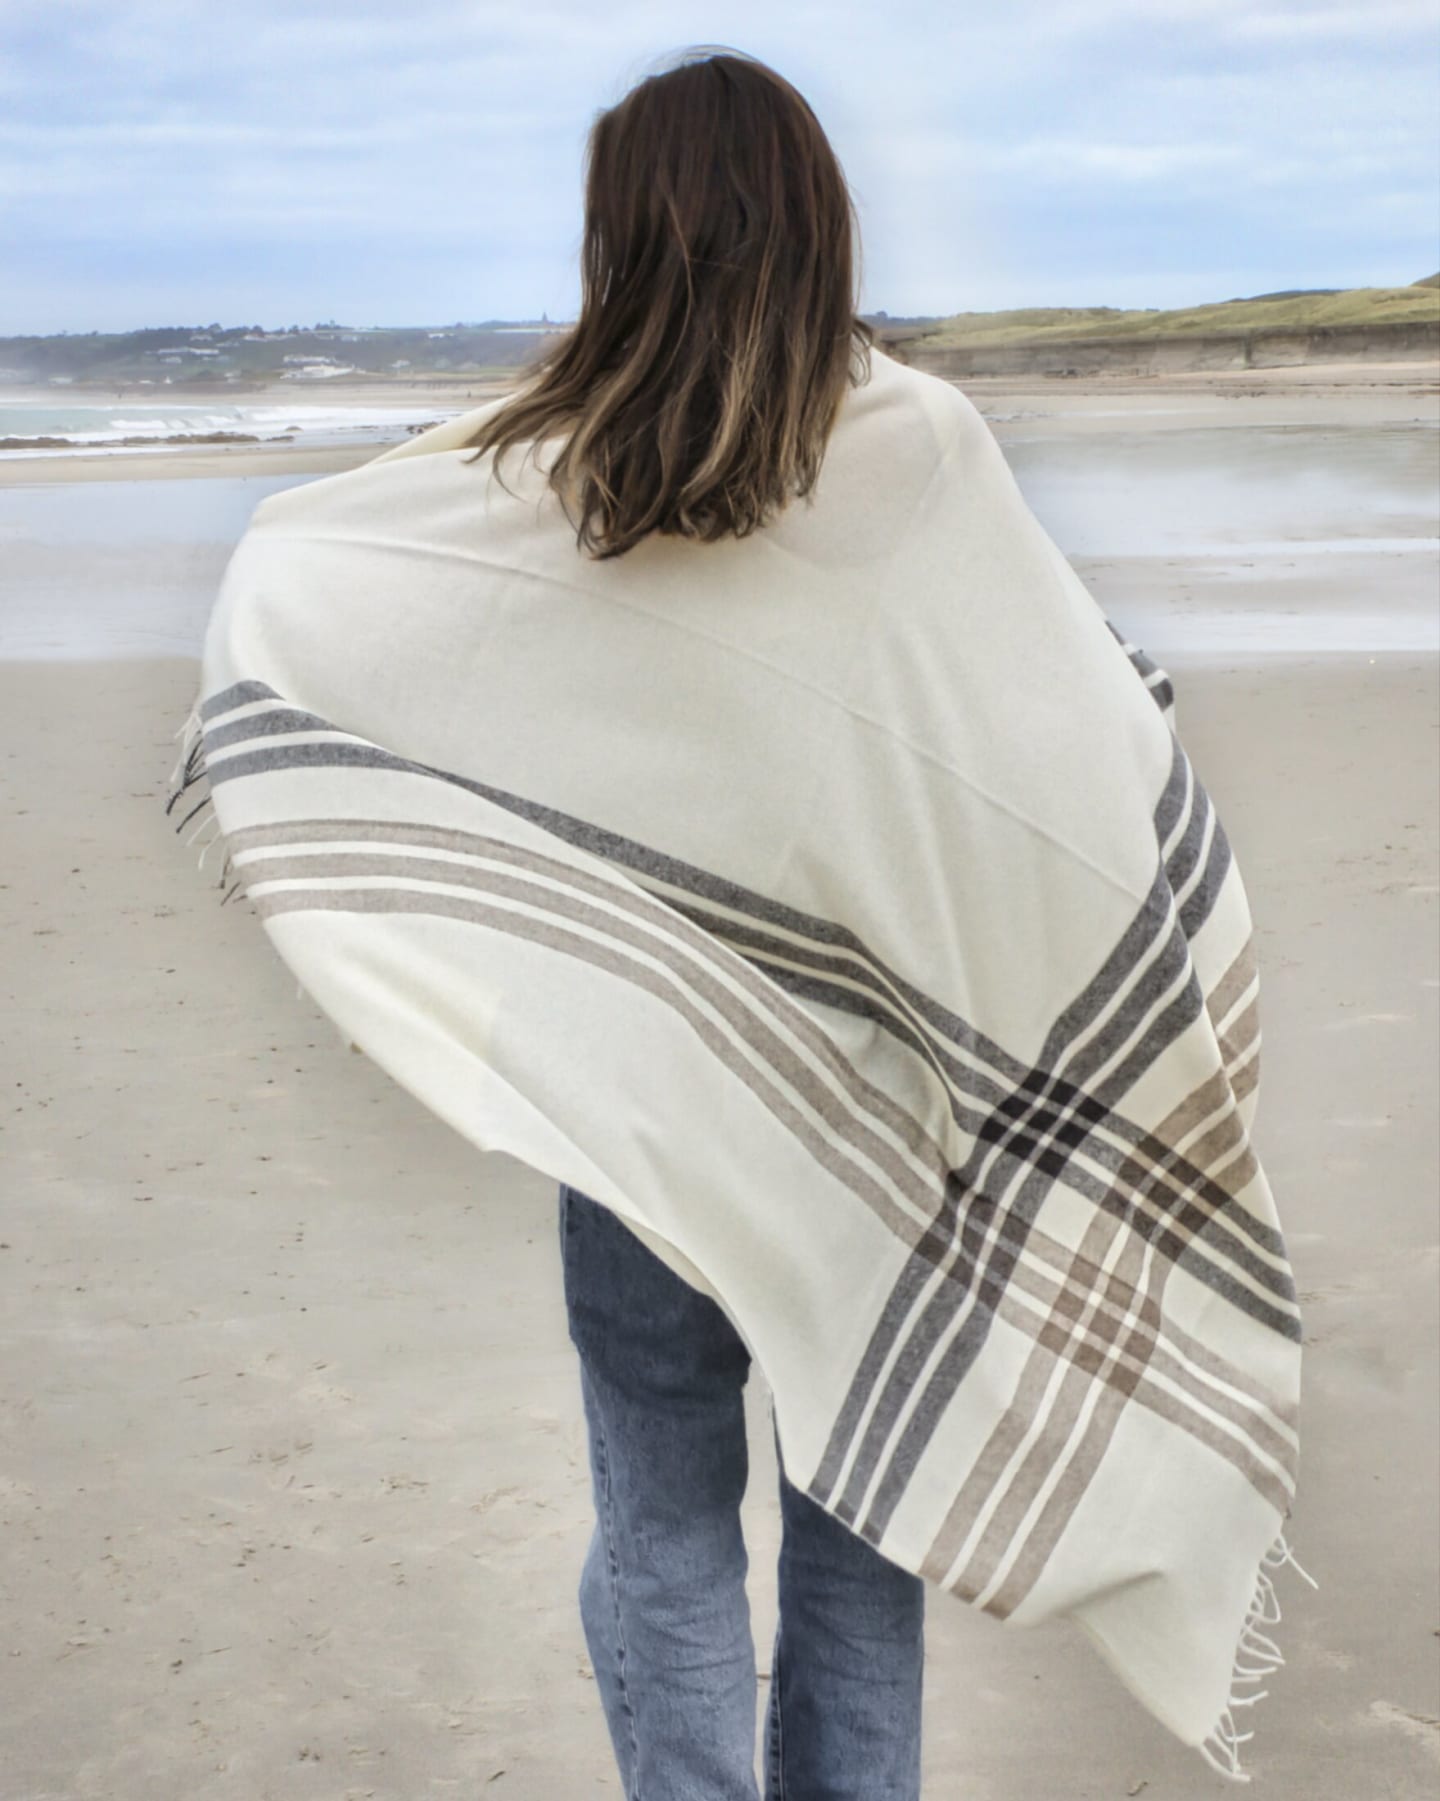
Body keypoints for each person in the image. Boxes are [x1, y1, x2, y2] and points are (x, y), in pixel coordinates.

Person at [458, 44, 928, 1801]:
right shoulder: (920, 459)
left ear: (623, 241)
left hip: (636, 1087)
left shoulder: (543, 485)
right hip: (873, 1096)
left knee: (660, 1521)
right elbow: (1049, 729)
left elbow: (464, 732)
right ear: (818, 225)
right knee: (862, 1543)